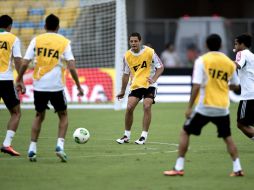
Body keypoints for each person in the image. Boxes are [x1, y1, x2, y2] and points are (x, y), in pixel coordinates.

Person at [163, 34, 244, 177]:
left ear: (206, 45)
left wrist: (189, 107)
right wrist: (224, 86)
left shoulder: (202, 60)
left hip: (205, 106)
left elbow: (196, 86)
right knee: (228, 137)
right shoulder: (229, 63)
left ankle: (179, 167)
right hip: (223, 108)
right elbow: (237, 86)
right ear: (221, 45)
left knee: (185, 132)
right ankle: (237, 168)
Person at [16, 14, 84, 162]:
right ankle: (60, 145)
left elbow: (25, 62)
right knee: (63, 115)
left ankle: (32, 149)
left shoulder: (36, 40)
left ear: (44, 26)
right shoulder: (64, 42)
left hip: (39, 85)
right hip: (56, 86)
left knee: (39, 115)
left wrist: (19, 79)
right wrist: (78, 86)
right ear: (58, 27)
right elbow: (71, 66)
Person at [116, 32, 164, 145]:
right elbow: (126, 74)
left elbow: (160, 67)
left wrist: (154, 79)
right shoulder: (127, 56)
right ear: (129, 42)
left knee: (147, 106)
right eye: (131, 41)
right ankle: (126, 135)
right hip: (136, 85)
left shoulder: (149, 51)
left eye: (135, 41)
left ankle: (143, 136)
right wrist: (122, 91)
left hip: (149, 84)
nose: (133, 43)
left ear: (140, 41)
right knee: (129, 107)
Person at [0, 15, 24, 156]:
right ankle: (7, 144)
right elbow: (18, 60)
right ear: (10, 26)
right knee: (16, 112)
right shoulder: (13, 38)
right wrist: (20, 80)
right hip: (5, 80)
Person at [234, 33, 254, 140]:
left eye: (236, 44)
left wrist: (221, 63)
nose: (235, 47)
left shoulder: (241, 53)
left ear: (242, 44)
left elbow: (236, 65)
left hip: (248, 95)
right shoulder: (252, 56)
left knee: (241, 124)